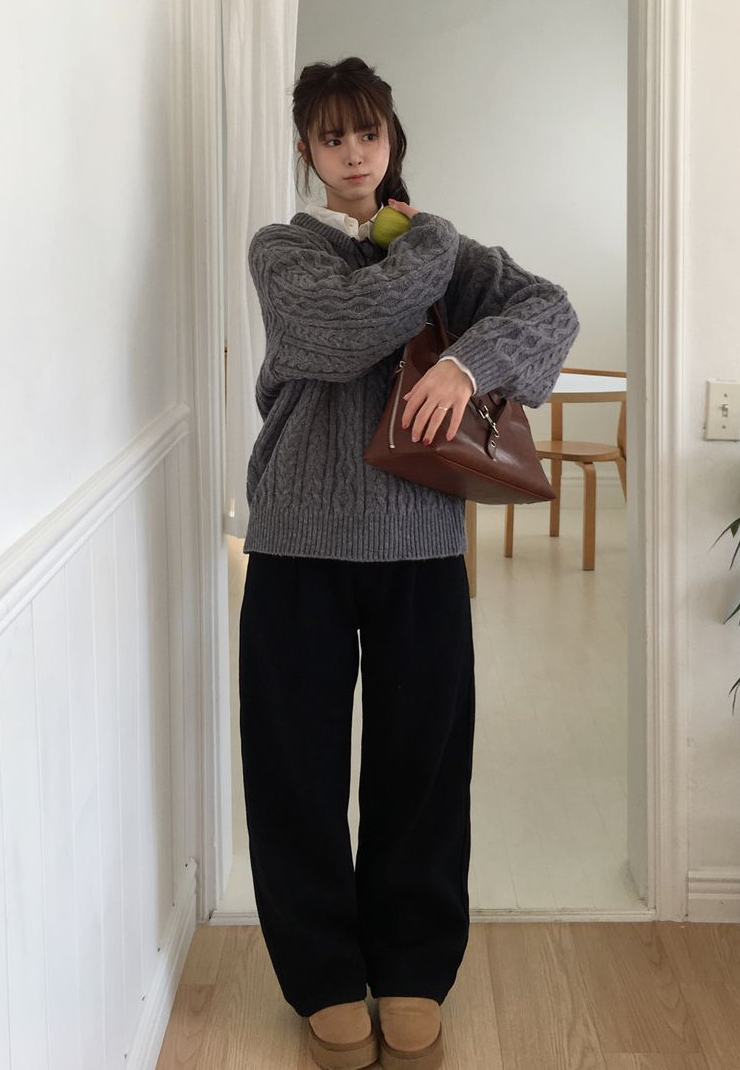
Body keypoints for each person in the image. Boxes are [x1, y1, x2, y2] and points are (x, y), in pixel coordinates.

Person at [239, 56, 580, 1070]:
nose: (353, 152)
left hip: (421, 539)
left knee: (419, 764)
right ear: (306, 150)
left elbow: (552, 312)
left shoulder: (444, 252)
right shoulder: (284, 249)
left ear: (392, 140)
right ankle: (322, 974)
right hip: (296, 539)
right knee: (295, 768)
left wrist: (470, 362)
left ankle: (411, 968)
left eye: (368, 133)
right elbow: (342, 331)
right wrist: (425, 240)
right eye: (331, 136)